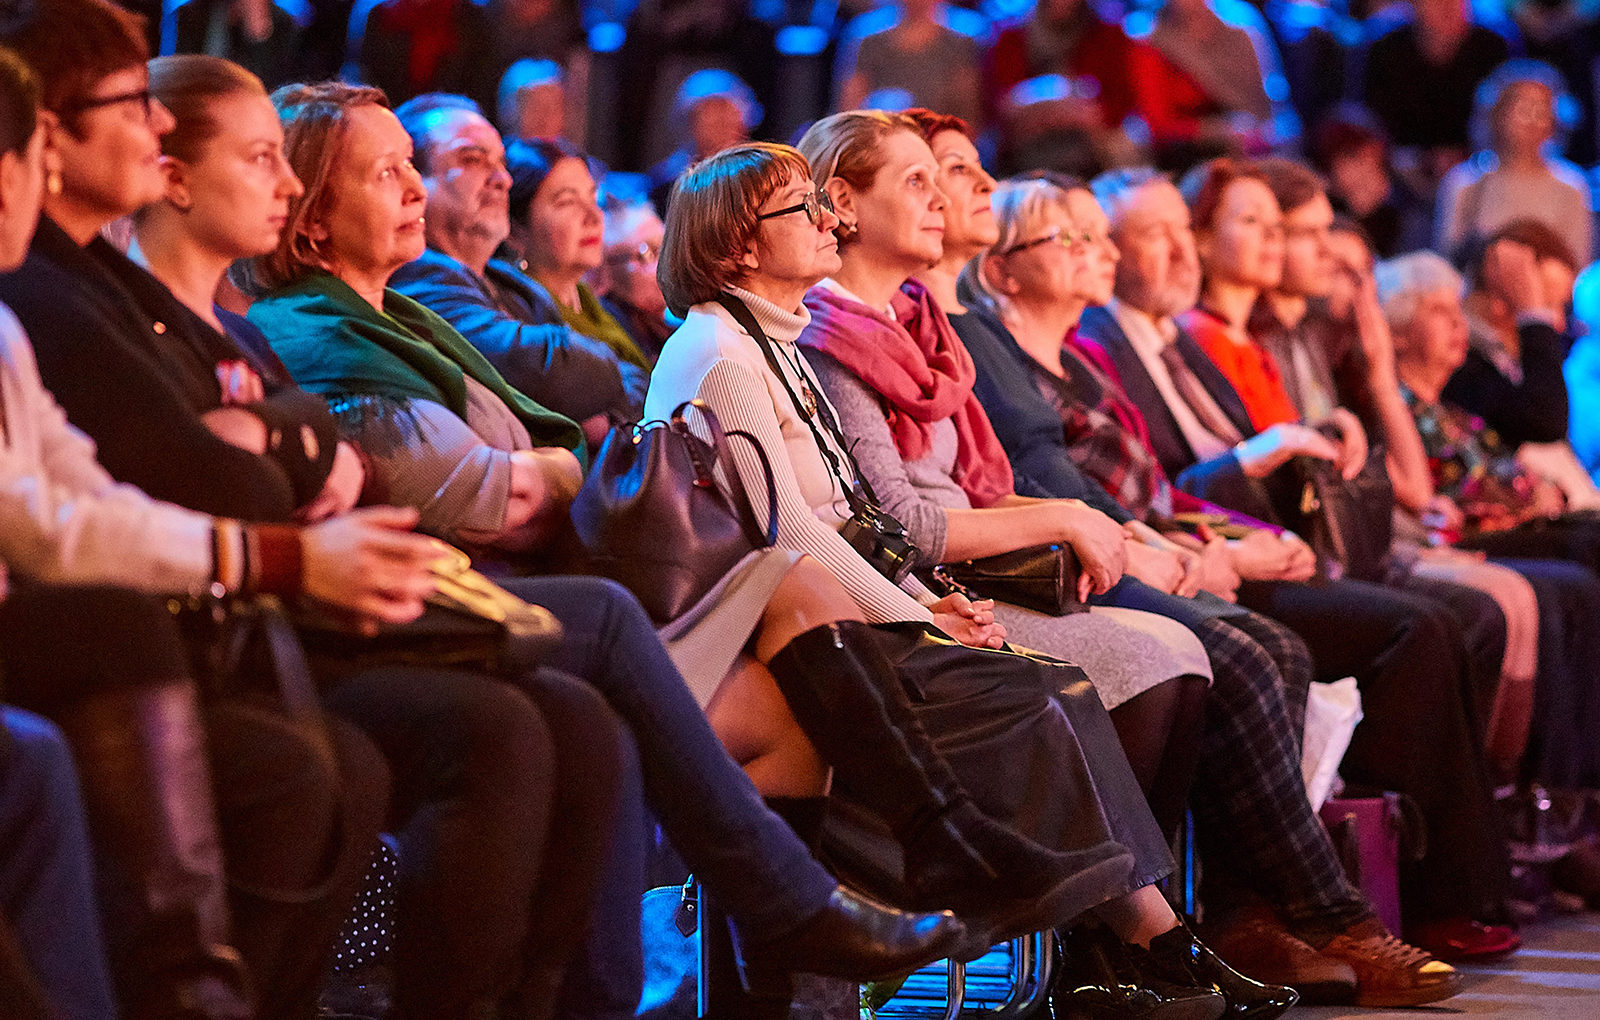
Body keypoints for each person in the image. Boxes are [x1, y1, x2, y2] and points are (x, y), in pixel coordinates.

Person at [230, 76, 977, 1014]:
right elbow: (482, 498)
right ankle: (860, 878)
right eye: (390, 173)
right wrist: (553, 469)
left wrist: (548, 469)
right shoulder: (318, 335)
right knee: (681, 619)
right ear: (310, 220)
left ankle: (796, 979)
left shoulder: (398, 321)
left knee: (771, 677)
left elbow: (544, 462)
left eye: (416, 167)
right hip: (445, 607)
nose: (417, 188)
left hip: (518, 595)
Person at [645, 136, 1301, 1020]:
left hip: (839, 614)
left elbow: (850, 521)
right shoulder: (719, 352)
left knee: (1055, 691)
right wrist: (920, 622)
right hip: (777, 633)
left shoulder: (776, 345)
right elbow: (789, 535)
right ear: (738, 248)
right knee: (1037, 698)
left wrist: (924, 598)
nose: (826, 217)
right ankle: (1101, 929)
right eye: (803, 208)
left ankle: (1148, 940)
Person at [944, 154, 1460, 1005]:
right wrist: (1195, 549)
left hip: (1131, 545)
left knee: (1285, 647)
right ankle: (1311, 913)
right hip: (1047, 570)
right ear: (1001, 270)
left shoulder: (1084, 358)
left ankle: (1247, 914)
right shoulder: (1000, 348)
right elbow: (1026, 494)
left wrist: (1221, 539)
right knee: (1255, 649)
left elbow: (1143, 489)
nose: (1093, 250)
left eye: (1099, 234)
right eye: (1071, 236)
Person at [0, 23, 401, 1017]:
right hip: (117, 636)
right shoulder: (53, 295)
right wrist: (279, 550)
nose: (152, 126)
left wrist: (275, 483)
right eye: (130, 108)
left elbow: (96, 495)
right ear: (39, 147)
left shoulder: (40, 311)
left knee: (348, 765)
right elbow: (171, 494)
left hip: (178, 624)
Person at [1076, 167, 1521, 962]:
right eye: (1158, 234)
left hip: (1241, 544)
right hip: (1198, 558)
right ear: (1107, 251)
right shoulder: (1102, 340)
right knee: (1414, 629)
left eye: (1183, 230)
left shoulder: (1175, 341)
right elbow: (1163, 487)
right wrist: (1241, 520)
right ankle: (1397, 900)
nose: (1180, 251)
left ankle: (1444, 883)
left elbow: (1192, 479)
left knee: (1456, 617)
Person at [387, 95, 645, 441]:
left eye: (501, 163)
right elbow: (547, 369)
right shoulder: (419, 276)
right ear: (416, 183)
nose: (501, 179)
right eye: (473, 160)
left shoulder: (506, 282)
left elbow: (634, 381)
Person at [502, 136, 655, 380]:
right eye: (567, 202)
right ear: (516, 230)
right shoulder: (523, 323)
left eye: (594, 198)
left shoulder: (602, 310)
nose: (593, 215)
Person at [1434, 60, 1592, 265]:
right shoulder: (1465, 182)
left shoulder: (1572, 185)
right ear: (1497, 114)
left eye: (1542, 111)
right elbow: (1447, 260)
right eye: (1523, 109)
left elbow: (1577, 264)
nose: (1532, 121)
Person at [1361, 0, 1511, 182]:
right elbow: (1368, 121)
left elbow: (1505, 118)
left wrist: (1465, 157)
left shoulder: (1495, 46)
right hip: (1400, 172)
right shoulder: (1384, 49)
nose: (1447, 7)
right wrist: (1423, 159)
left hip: (1482, 168)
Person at [833, 0, 982, 129]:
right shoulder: (866, 38)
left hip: (938, 141)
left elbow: (968, 112)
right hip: (878, 140)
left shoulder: (962, 41)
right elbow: (848, 108)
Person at [595, 194, 673, 363]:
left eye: (667, 248)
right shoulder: (609, 343)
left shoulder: (670, 328)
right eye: (648, 252)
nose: (668, 265)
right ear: (606, 267)